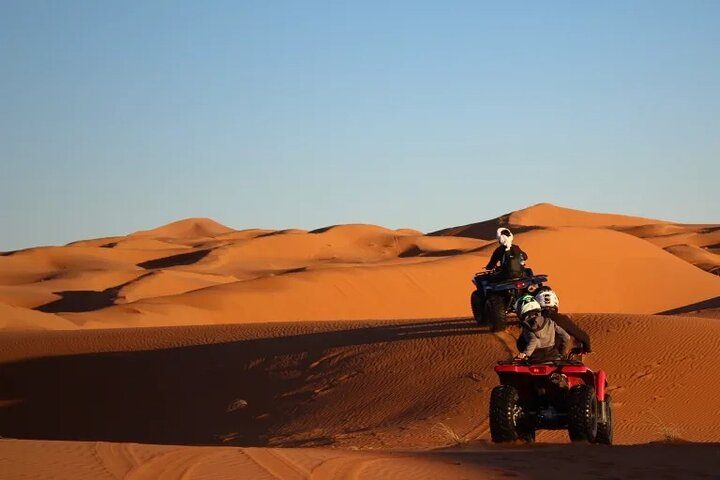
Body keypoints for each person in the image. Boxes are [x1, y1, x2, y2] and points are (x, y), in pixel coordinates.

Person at [533, 286, 592, 354]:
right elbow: (585, 338)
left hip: (534, 359)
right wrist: (587, 349)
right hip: (556, 358)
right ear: (555, 301)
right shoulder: (563, 319)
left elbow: (521, 343)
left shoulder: (532, 319)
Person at [514, 299, 572, 363]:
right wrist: (562, 354)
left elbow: (533, 340)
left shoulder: (527, 326)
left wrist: (525, 354)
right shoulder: (550, 321)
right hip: (553, 358)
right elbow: (566, 336)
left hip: (535, 360)